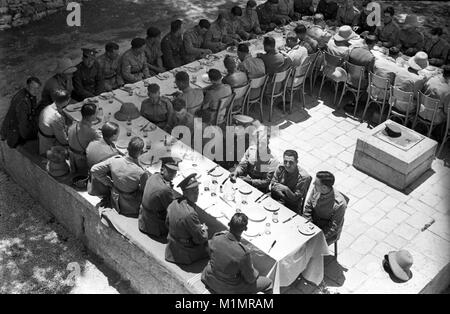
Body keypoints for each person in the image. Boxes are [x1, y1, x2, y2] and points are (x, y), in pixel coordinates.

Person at [201, 213, 273, 294]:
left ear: (229, 224)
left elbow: (210, 252)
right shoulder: (243, 253)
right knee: (268, 282)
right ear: (245, 229)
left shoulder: (216, 237)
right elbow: (251, 279)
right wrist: (253, 269)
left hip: (210, 279)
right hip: (228, 288)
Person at [91, 137, 147, 217]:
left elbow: (94, 169)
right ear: (140, 152)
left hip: (115, 199)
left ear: (127, 148)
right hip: (131, 206)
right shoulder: (141, 172)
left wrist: (109, 183)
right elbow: (144, 191)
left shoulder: (114, 160)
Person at [165, 173, 209, 265]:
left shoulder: (174, 203)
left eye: (197, 190)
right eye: (193, 191)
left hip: (172, 244)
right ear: (185, 192)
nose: (196, 194)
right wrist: (204, 229)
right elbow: (200, 239)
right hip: (185, 251)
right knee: (213, 246)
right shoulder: (190, 213)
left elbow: (167, 223)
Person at [139, 156, 180, 239]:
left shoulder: (154, 176)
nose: (173, 175)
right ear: (162, 169)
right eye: (170, 171)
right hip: (153, 225)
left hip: (143, 218)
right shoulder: (164, 189)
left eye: (174, 172)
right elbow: (173, 210)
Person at [303, 171, 347, 245]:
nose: (313, 184)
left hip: (325, 231)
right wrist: (309, 223)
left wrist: (317, 236)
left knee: (311, 250)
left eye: (316, 183)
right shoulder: (316, 189)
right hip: (312, 223)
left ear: (324, 187)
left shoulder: (340, 204)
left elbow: (333, 228)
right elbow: (308, 207)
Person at [1, 77, 41, 148]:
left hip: (17, 126)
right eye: (33, 88)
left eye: (37, 88)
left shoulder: (29, 94)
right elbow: (23, 125)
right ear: (27, 87)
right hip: (15, 133)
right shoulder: (22, 103)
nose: (36, 91)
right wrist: (33, 134)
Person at [86, 122, 122, 197]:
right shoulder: (112, 154)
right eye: (118, 133)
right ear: (113, 135)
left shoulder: (92, 143)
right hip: (101, 185)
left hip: (90, 179)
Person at [68, 103, 101, 175]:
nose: (97, 115)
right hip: (81, 159)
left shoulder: (74, 124)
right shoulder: (91, 132)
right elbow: (100, 143)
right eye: (96, 113)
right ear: (92, 116)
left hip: (71, 155)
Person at [38, 89, 70, 156]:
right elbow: (63, 140)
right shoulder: (56, 117)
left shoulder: (47, 108)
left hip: (43, 138)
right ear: (67, 101)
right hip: (48, 145)